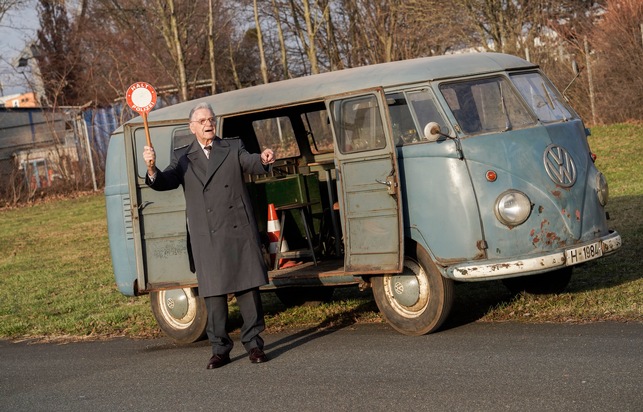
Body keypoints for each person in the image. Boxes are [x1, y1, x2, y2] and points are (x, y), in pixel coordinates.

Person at [143, 102, 275, 369]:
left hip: (237, 229)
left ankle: (254, 345)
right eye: (202, 120)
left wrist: (263, 158)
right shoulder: (183, 157)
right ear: (192, 127)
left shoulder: (232, 147)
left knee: (247, 289)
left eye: (211, 119)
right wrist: (152, 168)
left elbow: (251, 162)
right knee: (214, 295)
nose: (208, 123)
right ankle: (220, 349)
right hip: (207, 235)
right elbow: (165, 181)